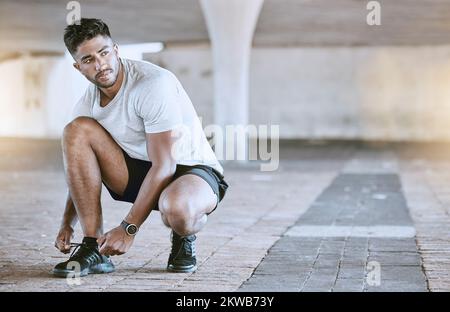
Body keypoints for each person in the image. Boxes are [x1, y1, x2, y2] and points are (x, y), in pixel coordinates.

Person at [53, 18, 228, 277]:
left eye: (103, 52)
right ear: (78, 67)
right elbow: (80, 172)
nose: (100, 64)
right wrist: (67, 223)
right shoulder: (86, 106)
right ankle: (92, 247)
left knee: (177, 211)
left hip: (190, 169)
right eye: (89, 60)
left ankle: (184, 234)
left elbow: (165, 165)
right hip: (138, 171)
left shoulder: (152, 84)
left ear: (116, 50)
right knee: (76, 130)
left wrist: (128, 229)